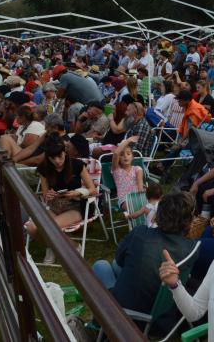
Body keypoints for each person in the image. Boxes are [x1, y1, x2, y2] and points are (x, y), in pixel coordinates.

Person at [92, 191, 198, 324]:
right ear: (189, 221)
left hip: (124, 315)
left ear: (159, 214)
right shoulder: (193, 248)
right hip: (161, 316)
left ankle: (101, 314)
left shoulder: (140, 233)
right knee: (117, 265)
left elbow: (119, 261)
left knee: (102, 265)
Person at [25, 134, 96, 263]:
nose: (57, 160)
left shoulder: (77, 165)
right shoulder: (44, 168)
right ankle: (52, 247)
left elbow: (93, 189)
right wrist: (48, 195)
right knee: (31, 227)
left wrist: (78, 193)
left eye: (60, 156)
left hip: (76, 206)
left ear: (65, 152)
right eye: (53, 158)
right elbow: (46, 194)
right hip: (55, 205)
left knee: (49, 227)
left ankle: (75, 247)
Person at [111, 136, 145, 212]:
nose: (125, 156)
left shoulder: (137, 169)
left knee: (152, 202)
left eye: (128, 154)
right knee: (131, 206)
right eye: (122, 155)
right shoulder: (116, 170)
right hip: (124, 199)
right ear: (119, 158)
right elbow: (116, 153)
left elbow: (140, 187)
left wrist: (144, 191)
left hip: (138, 196)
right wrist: (128, 141)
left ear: (132, 157)